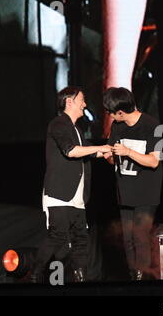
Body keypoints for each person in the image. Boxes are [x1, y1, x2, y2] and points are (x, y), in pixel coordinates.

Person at [31, 87, 111, 283]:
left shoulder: (76, 129)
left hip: (77, 196)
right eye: (82, 100)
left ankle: (80, 278)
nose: (85, 104)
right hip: (59, 194)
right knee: (57, 237)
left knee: (81, 240)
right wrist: (101, 147)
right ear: (69, 102)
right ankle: (34, 274)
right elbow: (71, 151)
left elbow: (89, 152)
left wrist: (111, 152)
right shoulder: (58, 124)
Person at [103, 87, 163, 280]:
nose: (110, 116)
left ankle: (143, 277)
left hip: (146, 190)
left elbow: (154, 161)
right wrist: (109, 156)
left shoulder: (152, 126)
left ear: (121, 112)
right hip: (125, 189)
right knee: (127, 238)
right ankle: (133, 277)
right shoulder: (117, 126)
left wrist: (128, 152)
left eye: (112, 112)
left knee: (140, 236)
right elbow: (113, 157)